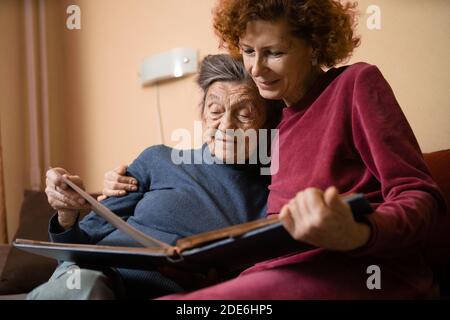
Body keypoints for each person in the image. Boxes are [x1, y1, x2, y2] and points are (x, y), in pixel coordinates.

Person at [145, 0, 444, 299]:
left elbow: (419, 194)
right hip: (276, 274)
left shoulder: (353, 85)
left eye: (274, 52)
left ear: (314, 46)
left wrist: (358, 233)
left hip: (363, 272)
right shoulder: (272, 120)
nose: (256, 69)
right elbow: (220, 159)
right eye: (248, 51)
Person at [26, 54, 282, 300]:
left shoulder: (273, 195)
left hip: (162, 292)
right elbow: (78, 249)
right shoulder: (157, 159)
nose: (226, 126)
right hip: (92, 278)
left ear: (266, 124)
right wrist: (67, 214)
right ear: (203, 115)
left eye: (244, 115)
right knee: (83, 287)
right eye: (215, 111)